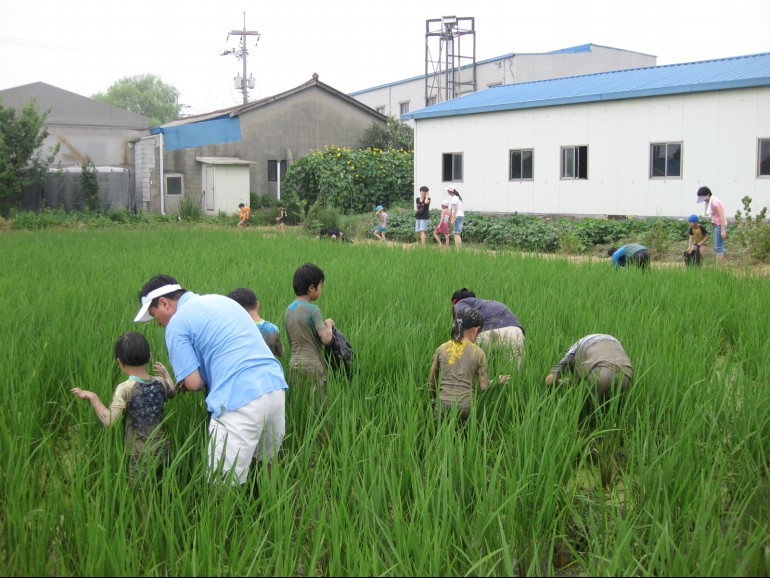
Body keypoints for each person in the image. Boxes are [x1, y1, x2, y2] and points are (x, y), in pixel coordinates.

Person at [134, 275, 287, 486]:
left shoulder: (176, 325)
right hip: (275, 386)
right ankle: (273, 514)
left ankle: (221, 520)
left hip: (238, 397)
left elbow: (194, 383)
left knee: (220, 486)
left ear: (164, 303)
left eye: (154, 315)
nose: (158, 323)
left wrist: (183, 383)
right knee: (267, 463)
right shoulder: (222, 301)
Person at [71, 331, 176, 484]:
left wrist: (92, 397)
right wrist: (166, 374)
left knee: (140, 495)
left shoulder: (125, 388)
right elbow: (172, 392)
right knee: (162, 489)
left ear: (120, 362)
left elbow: (109, 421)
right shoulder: (160, 382)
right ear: (149, 357)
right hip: (163, 449)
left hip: (140, 454)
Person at [428, 308, 504, 422]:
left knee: (438, 435)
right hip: (466, 408)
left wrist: (434, 399)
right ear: (475, 330)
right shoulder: (478, 353)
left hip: (442, 405)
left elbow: (432, 379)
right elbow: (484, 387)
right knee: (464, 437)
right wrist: (497, 381)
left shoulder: (442, 349)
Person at [545, 334, 633, 421]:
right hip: (626, 373)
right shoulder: (612, 340)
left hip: (599, 374)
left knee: (588, 415)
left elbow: (550, 380)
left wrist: (561, 383)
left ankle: (586, 428)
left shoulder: (572, 351)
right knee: (614, 409)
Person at [284, 263, 335, 398]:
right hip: (313, 366)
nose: (321, 288)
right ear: (312, 288)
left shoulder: (289, 310)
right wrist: (329, 324)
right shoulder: (313, 310)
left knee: (301, 402)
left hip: (294, 364)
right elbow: (326, 338)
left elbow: (291, 340)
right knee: (318, 405)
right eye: (320, 285)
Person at [451, 289, 525, 371]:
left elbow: (463, 325)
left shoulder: (460, 304)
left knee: (467, 366)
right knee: (512, 375)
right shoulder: (489, 303)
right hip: (516, 333)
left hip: (489, 333)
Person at [227, 287, 285, 358]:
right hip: (267, 368)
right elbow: (281, 353)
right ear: (257, 305)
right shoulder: (272, 329)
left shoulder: (232, 330)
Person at [696, 186, 727, 264]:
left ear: (707, 195)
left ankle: (718, 269)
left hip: (719, 226)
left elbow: (722, 216)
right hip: (717, 225)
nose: (704, 201)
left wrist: (723, 230)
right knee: (717, 248)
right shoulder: (712, 201)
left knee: (719, 248)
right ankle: (718, 268)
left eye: (704, 198)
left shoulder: (714, 203)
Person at [446, 184, 465, 249]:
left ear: (449, 191)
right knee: (457, 233)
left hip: (457, 216)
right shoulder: (457, 197)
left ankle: (458, 249)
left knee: (456, 234)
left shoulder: (454, 198)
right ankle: (458, 248)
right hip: (461, 216)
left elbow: (455, 209)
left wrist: (453, 218)